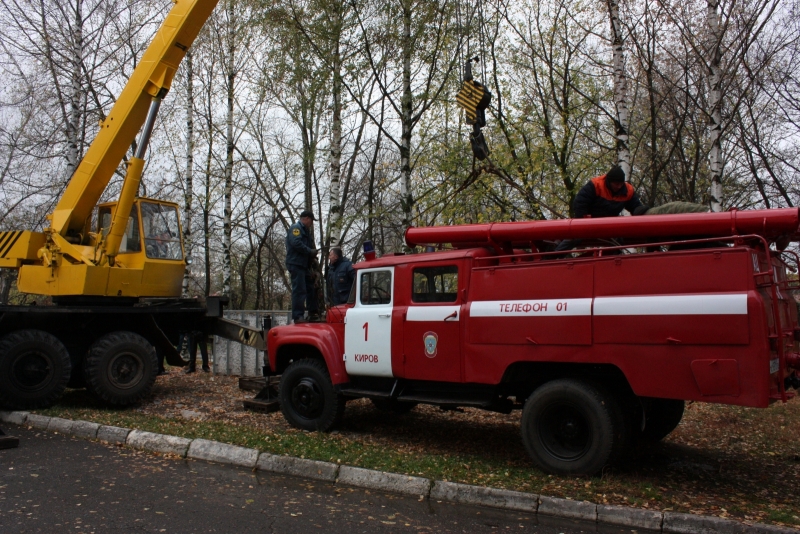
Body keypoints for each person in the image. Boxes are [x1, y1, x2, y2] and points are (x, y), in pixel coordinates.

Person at [555, 165, 645, 252]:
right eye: (616, 184)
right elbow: (580, 202)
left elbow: (635, 206)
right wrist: (583, 222)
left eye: (621, 184)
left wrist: (641, 211)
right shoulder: (596, 185)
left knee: (619, 240)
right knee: (575, 238)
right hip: (590, 223)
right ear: (609, 181)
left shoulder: (628, 191)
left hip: (610, 225)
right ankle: (553, 256)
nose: (619, 187)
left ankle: (613, 260)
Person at [286, 210, 319, 323]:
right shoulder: (296, 228)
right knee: (299, 289)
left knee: (310, 286)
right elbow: (296, 244)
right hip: (296, 263)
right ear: (306, 218)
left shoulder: (305, 231)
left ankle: (312, 311)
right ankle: (298, 316)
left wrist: (312, 258)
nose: (311, 223)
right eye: (311, 221)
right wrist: (310, 252)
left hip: (303, 265)